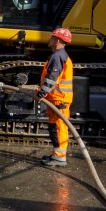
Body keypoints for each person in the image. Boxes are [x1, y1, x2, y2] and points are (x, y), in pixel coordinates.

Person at [36, 27, 74, 168]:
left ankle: (59, 157)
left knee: (58, 128)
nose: (49, 39)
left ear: (57, 40)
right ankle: (57, 154)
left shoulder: (57, 56)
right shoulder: (60, 55)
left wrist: (41, 93)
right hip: (57, 99)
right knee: (55, 128)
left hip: (59, 99)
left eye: (52, 37)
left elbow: (52, 78)